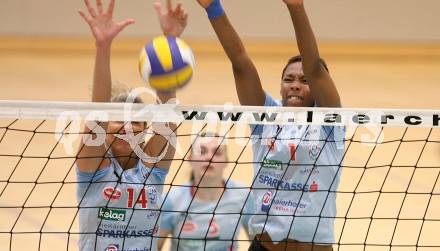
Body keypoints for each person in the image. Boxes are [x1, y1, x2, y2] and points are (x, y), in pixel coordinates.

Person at [195, 0, 345, 250]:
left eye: (304, 80)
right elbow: (240, 62)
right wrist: (213, 8)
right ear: (280, 86)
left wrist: (296, 7)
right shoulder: (266, 116)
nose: (295, 84)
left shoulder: (331, 120)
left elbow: (315, 68)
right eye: (288, 79)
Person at [75, 0, 187, 250]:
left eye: (135, 121)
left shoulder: (152, 170)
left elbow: (167, 112)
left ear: (146, 130)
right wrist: (102, 46)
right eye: (119, 120)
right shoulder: (93, 169)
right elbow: (97, 113)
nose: (127, 127)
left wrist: (169, 42)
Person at [158, 132, 254, 251]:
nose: (209, 157)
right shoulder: (171, 200)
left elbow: (259, 243)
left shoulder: (243, 195)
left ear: (226, 161)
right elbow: (154, 246)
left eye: (217, 153)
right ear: (190, 159)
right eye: (202, 151)